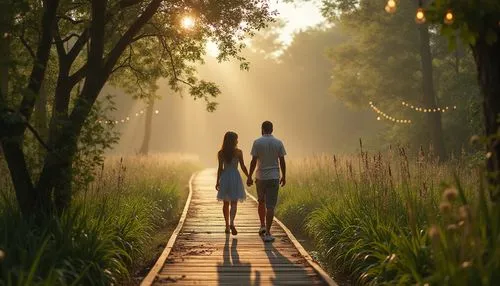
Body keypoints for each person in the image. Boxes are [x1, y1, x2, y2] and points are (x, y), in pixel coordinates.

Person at [247, 121, 286, 242]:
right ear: (272, 129)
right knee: (270, 206)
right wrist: (284, 176)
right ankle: (268, 233)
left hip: (261, 177)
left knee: (261, 202)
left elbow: (253, 161)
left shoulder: (257, 142)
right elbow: (282, 161)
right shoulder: (278, 142)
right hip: (274, 177)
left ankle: (262, 225)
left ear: (262, 129)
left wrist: (249, 176)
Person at [216, 131, 250, 235]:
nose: (237, 140)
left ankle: (227, 225)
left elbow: (220, 169)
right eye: (236, 139)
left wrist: (218, 181)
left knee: (226, 203)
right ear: (233, 140)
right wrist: (248, 176)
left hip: (225, 177)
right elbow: (243, 166)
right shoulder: (238, 152)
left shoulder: (221, 153)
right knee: (234, 202)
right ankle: (232, 223)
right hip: (235, 177)